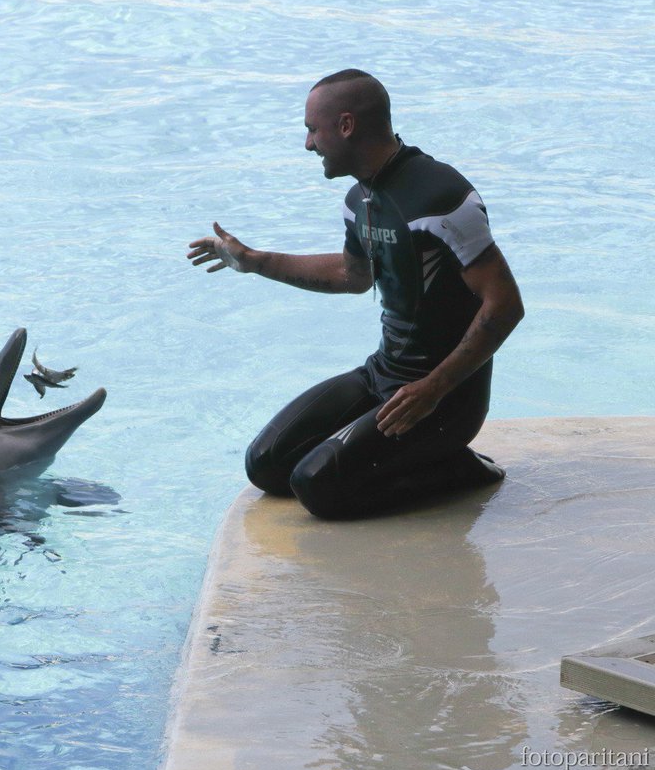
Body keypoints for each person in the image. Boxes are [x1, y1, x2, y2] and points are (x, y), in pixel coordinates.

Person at [187, 69, 524, 520]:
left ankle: (457, 467)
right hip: (384, 375)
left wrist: (433, 389)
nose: (308, 144)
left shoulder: (441, 197)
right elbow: (352, 274)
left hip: (444, 399)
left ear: (346, 126)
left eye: (312, 130)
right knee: (266, 465)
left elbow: (505, 305)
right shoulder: (360, 198)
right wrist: (254, 261)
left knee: (318, 487)